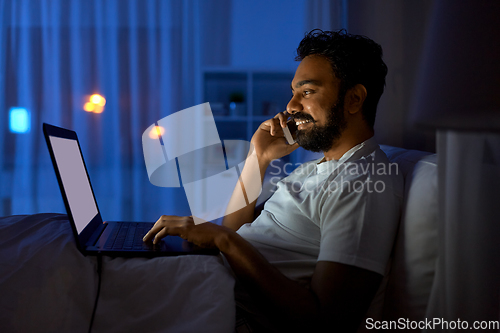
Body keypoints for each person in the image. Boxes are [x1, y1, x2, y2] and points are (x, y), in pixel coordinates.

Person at [143, 29, 403, 332]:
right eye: (293, 92)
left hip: (231, 315)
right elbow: (234, 231)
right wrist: (259, 157)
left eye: (307, 92)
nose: (291, 106)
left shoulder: (363, 184)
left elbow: (324, 322)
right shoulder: (317, 166)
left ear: (354, 99)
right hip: (210, 289)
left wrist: (221, 239)